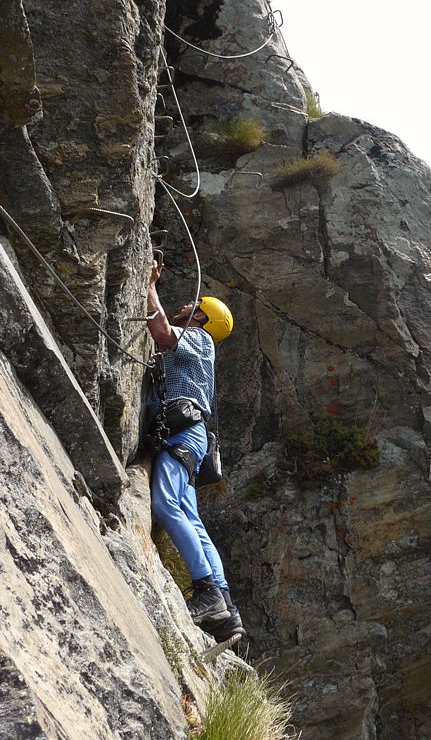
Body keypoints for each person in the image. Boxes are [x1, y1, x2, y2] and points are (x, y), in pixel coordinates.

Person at [146, 259, 244, 642]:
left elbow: (162, 333)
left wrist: (147, 285)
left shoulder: (198, 339)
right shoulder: (202, 348)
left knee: (165, 503)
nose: (186, 305)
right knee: (190, 515)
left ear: (202, 317)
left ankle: (206, 591)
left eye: (193, 305)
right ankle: (224, 606)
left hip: (183, 433)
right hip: (192, 434)